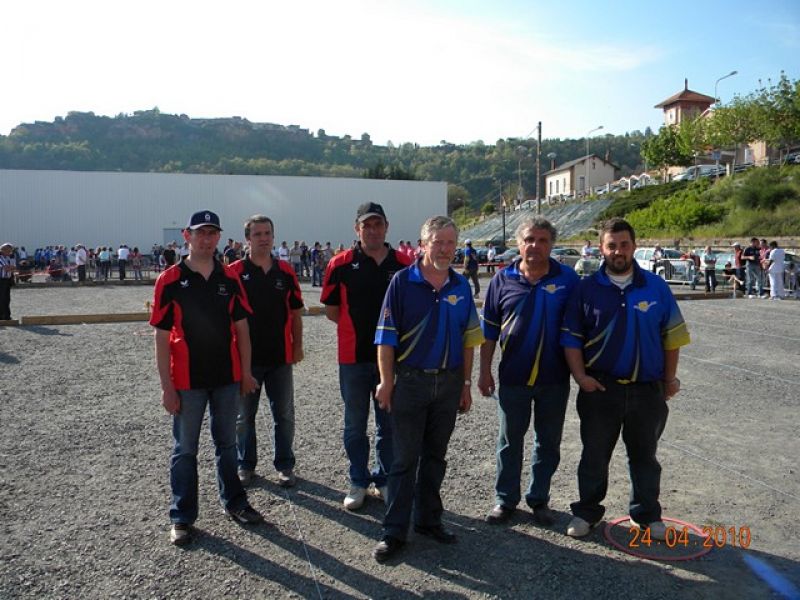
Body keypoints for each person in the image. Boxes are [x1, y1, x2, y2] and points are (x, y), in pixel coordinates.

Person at [560, 218, 690, 540]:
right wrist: (581, 377)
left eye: (624, 245)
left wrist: (669, 380)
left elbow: (672, 337)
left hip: (647, 390)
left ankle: (646, 516)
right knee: (594, 456)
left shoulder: (656, 287)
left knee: (645, 457)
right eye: (611, 245)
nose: (618, 251)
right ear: (601, 249)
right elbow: (571, 338)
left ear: (634, 246)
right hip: (600, 389)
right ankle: (587, 513)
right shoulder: (585, 289)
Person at [372, 215, 484, 562]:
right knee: (404, 460)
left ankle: (428, 520)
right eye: (438, 242)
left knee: (436, 456)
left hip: (448, 383)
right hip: (410, 382)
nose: (445, 249)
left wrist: (466, 383)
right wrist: (386, 381)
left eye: (451, 243)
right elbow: (386, 338)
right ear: (423, 245)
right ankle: (394, 531)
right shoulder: (402, 283)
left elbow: (469, 340)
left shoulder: (461, 286)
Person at [150, 209, 264, 546]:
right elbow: (161, 338)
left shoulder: (230, 278)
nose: (206, 239)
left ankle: (235, 502)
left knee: (227, 445)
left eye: (212, 233)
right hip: (187, 381)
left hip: (226, 378)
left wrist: (245, 372)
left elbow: (242, 330)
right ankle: (182, 516)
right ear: (187, 235)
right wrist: (166, 387)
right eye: (200, 232)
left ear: (219, 237)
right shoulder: (170, 280)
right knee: (185, 450)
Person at [478, 218, 579, 526]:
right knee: (509, 441)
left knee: (547, 442)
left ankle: (539, 499)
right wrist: (484, 372)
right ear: (519, 244)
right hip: (513, 377)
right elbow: (489, 332)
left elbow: (579, 329)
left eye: (543, 240)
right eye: (529, 239)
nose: (535, 245)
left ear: (552, 245)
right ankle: (505, 500)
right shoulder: (501, 279)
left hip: (555, 379)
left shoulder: (568, 279)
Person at [321, 202, 412, 511]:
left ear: (386, 227)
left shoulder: (404, 264)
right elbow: (332, 310)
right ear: (356, 229)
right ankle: (358, 480)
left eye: (377, 224)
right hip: (353, 358)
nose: (372, 230)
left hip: (394, 359)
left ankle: (384, 479)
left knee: (389, 424)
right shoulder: (340, 264)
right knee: (354, 425)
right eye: (366, 225)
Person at [228, 215, 304, 487]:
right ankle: (245, 464)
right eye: (257, 234)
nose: (263, 238)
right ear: (247, 239)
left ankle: (285, 465)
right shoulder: (234, 272)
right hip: (245, 359)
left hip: (280, 357)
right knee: (243, 417)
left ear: (273, 236)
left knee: (283, 414)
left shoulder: (285, 271)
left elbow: (296, 313)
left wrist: (297, 346)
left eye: (267, 233)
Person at [0, 243, 15, 320]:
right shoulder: (1, 258)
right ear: (3, 250)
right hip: (1, 280)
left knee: (7, 299)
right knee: (2, 298)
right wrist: (10, 267)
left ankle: (6, 315)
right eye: (9, 251)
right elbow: (6, 268)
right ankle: (2, 315)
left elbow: (14, 267)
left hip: (7, 280)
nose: (10, 253)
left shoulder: (8, 258)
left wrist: (10, 267)